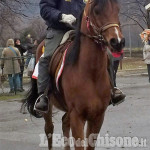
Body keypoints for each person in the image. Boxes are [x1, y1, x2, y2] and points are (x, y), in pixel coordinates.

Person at [35, 0, 125, 112]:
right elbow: (45, 9)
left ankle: (112, 89)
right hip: (58, 30)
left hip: (79, 29)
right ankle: (43, 95)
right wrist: (61, 16)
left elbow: (88, 8)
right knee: (46, 58)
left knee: (108, 55)